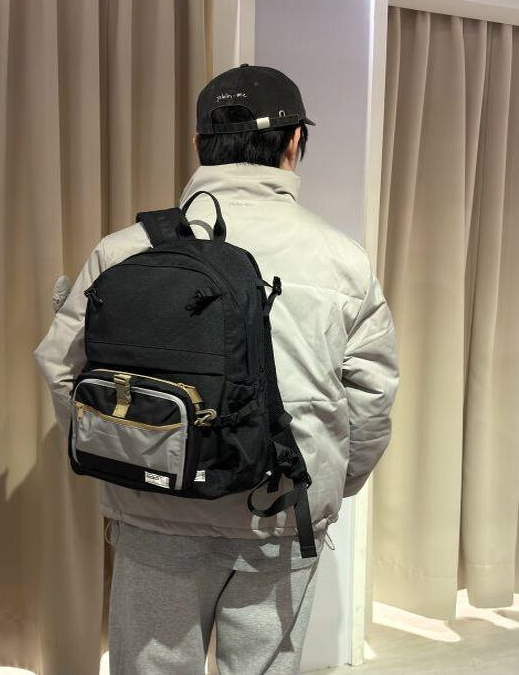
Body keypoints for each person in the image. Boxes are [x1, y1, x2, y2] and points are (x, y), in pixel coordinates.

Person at [33, 64, 400, 675]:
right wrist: (329, 484)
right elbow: (371, 399)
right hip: (281, 508)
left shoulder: (123, 249)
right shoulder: (343, 259)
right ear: (294, 142)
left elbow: (62, 369)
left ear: (200, 143)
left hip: (155, 506)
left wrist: (125, 458)